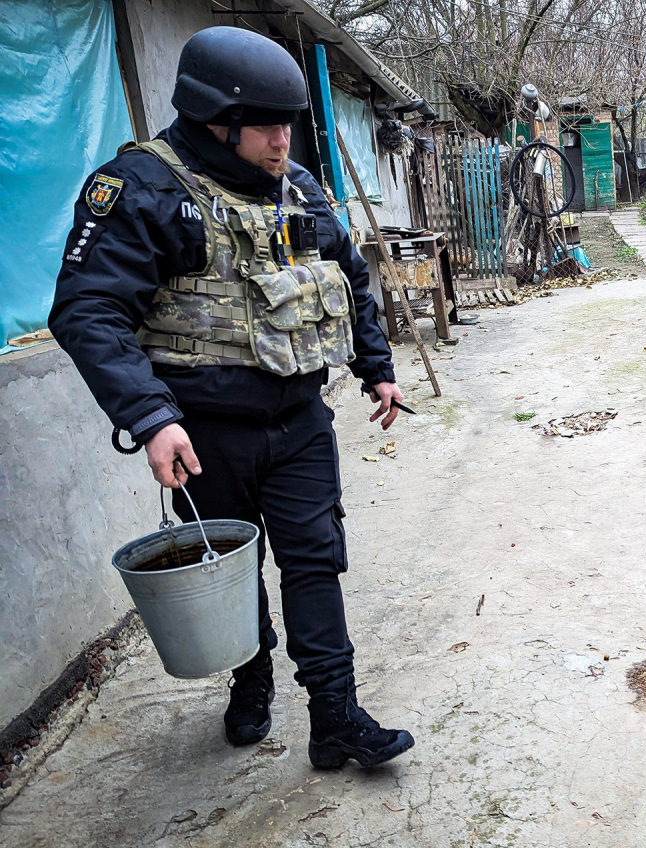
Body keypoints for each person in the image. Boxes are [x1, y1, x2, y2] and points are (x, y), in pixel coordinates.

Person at [49, 26, 413, 769]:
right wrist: (150, 418)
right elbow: (87, 311)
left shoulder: (299, 189)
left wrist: (378, 366)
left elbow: (349, 279)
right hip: (205, 432)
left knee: (315, 562)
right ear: (218, 120)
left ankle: (335, 717)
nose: (284, 141)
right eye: (268, 127)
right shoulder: (145, 190)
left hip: (300, 419)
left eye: (290, 125)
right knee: (234, 572)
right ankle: (251, 685)